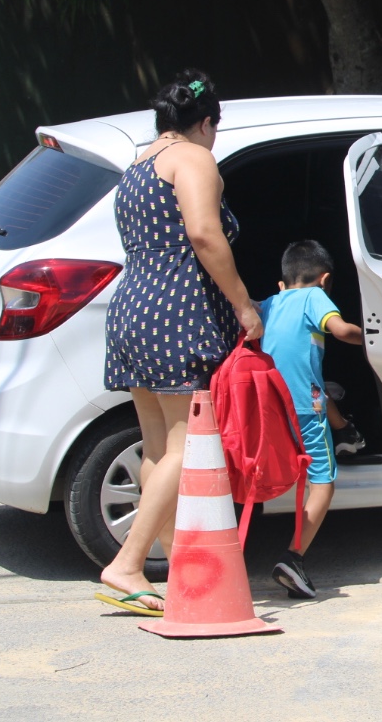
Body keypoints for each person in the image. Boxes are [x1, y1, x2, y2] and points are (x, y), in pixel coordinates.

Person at [99, 69, 264, 615]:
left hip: (133, 309)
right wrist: (243, 304)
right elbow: (203, 232)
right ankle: (127, 564)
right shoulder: (193, 159)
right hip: (178, 313)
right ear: (207, 122)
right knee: (186, 445)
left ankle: (177, 571)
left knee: (157, 447)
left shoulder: (139, 164)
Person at [260, 239, 364, 599]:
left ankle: (347, 433)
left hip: (270, 406)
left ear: (281, 283)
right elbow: (340, 330)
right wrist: (372, 339)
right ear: (325, 280)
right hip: (305, 409)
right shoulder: (314, 297)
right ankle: (294, 558)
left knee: (325, 389)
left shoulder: (270, 304)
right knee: (323, 482)